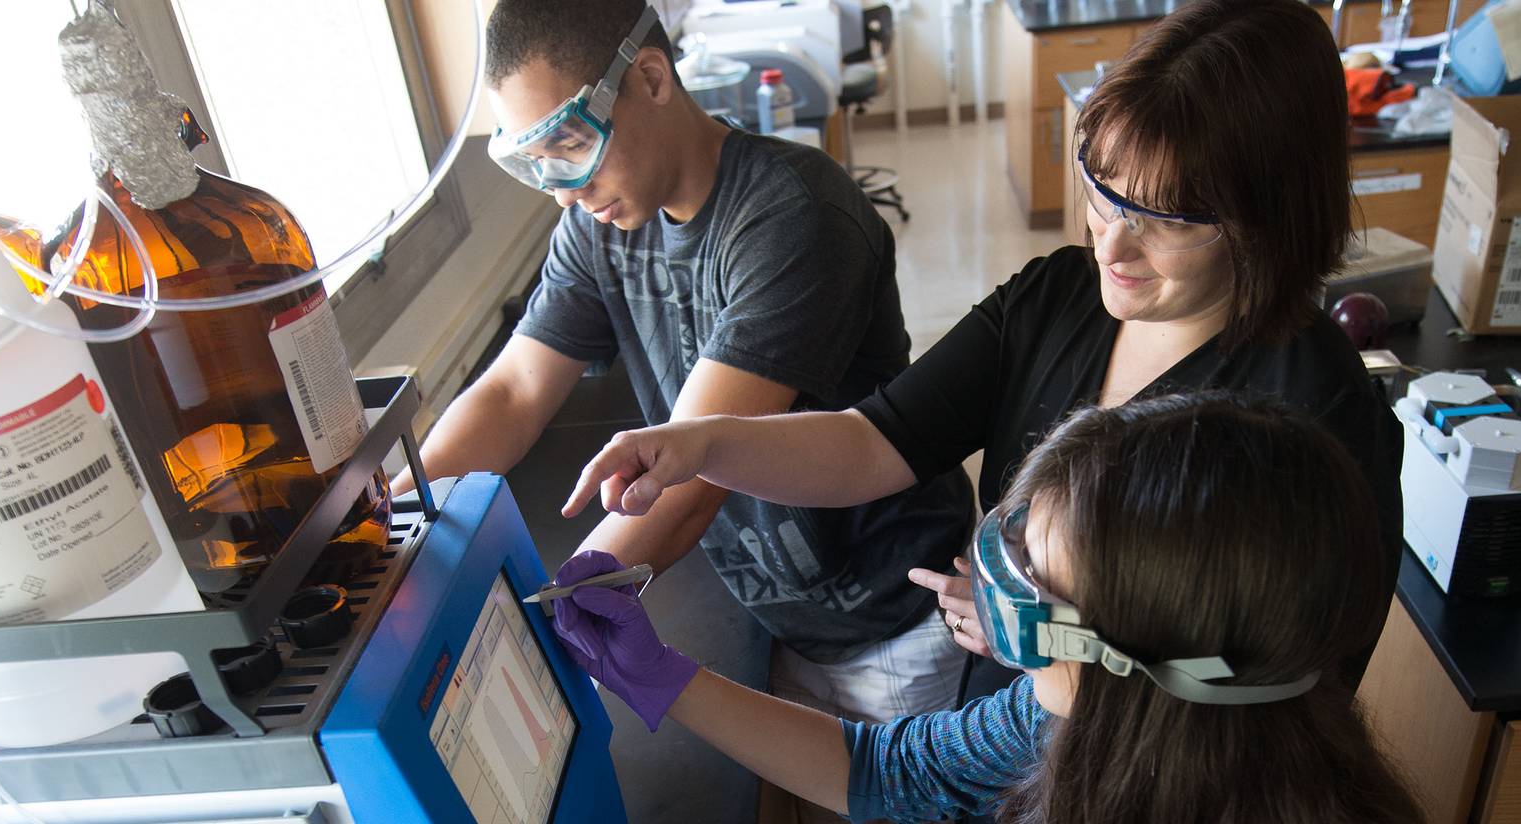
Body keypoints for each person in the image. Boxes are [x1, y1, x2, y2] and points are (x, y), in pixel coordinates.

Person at [561, 0, 1402, 687]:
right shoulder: (1060, 295)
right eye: (1103, 195)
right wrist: (703, 443)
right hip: (1011, 714)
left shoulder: (1310, 412)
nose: (1110, 247)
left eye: (1164, 222)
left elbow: (1287, 686)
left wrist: (1053, 643)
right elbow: (873, 442)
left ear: (1269, 219)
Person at [395, 0, 976, 730]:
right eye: (532, 163)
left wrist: (557, 613)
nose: (565, 188)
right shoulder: (597, 224)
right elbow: (513, 391)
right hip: (786, 615)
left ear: (649, 77)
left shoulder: (793, 214)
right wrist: (394, 517)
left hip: (895, 621)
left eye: (572, 144)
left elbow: (696, 473)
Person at [549, 394, 1425, 822]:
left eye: (1038, 582)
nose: (1000, 585)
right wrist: (665, 678)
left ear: (1138, 645)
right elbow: (891, 770)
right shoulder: (1084, 708)